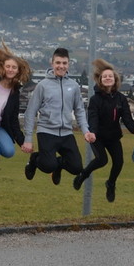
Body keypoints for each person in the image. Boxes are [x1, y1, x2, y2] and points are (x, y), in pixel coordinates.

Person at [22, 47, 94, 186]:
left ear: (68, 64)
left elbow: (79, 110)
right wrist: (28, 139)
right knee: (48, 165)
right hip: (47, 131)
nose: (61, 66)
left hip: (66, 132)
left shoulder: (73, 86)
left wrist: (86, 131)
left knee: (76, 168)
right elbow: (30, 112)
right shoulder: (42, 86)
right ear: (52, 63)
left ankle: (58, 166)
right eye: (58, 63)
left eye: (64, 63)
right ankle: (35, 159)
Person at [71, 59, 134, 202]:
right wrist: (92, 132)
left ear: (115, 80)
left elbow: (127, 119)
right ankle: (83, 175)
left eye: (110, 76)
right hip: (98, 136)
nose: (107, 78)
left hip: (113, 137)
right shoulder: (95, 99)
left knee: (119, 162)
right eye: (105, 76)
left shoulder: (121, 99)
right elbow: (93, 118)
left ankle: (111, 183)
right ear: (100, 79)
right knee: (102, 160)